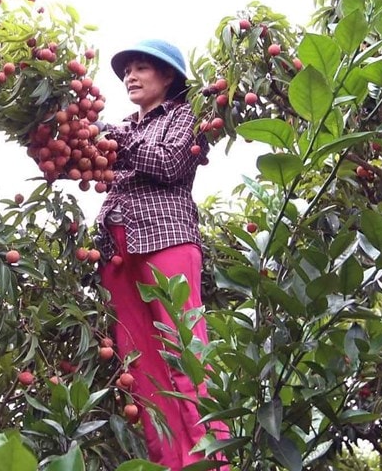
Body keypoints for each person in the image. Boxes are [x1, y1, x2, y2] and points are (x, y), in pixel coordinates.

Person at [93, 39, 229, 469]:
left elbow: (172, 165)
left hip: (166, 238)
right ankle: (171, 461)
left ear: (168, 76)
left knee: (183, 347)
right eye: (125, 70)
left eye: (140, 68)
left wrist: (117, 138)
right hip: (119, 250)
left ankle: (214, 458)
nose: (130, 77)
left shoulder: (187, 117)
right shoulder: (121, 128)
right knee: (140, 364)